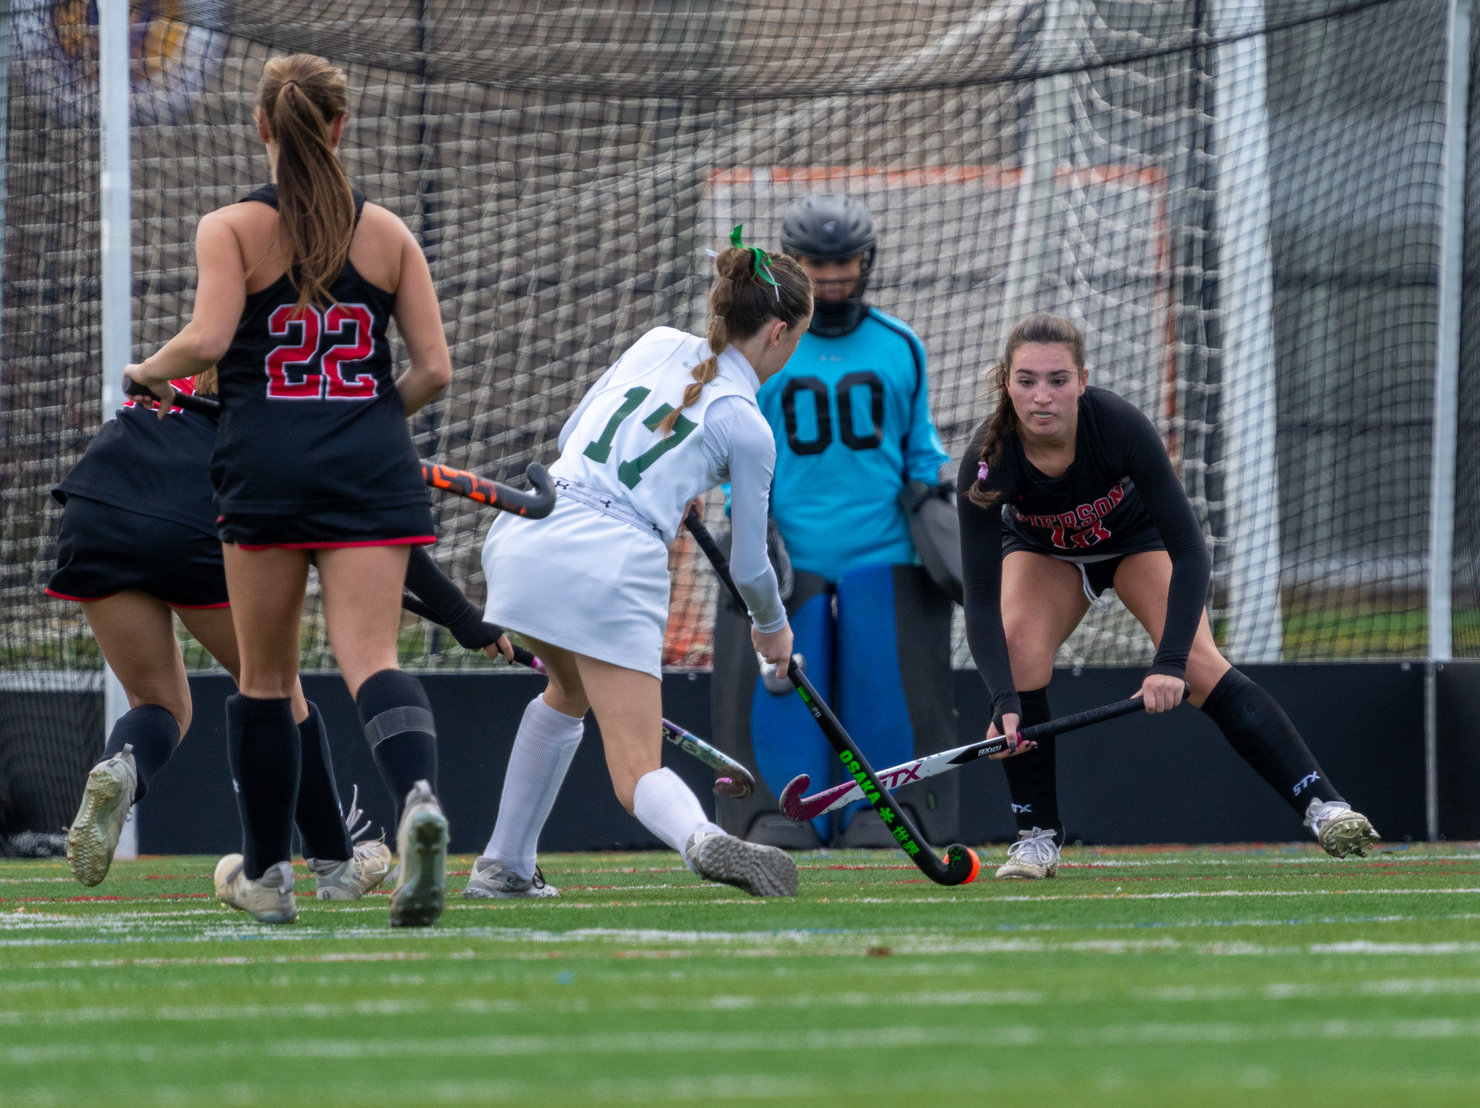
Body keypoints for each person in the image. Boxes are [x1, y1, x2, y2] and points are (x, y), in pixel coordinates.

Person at [124, 54, 453, 926]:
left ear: (263, 128)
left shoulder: (230, 227)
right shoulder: (386, 233)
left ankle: (268, 878)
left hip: (264, 469)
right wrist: (370, 420)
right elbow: (435, 369)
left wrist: (147, 371)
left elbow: (209, 336)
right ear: (341, 128)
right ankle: (418, 798)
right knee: (371, 658)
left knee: (266, 679)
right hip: (369, 469)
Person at [957, 313, 1379, 879]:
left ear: (1083, 380)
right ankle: (1037, 838)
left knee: (1203, 667)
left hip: (1135, 543)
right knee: (1018, 653)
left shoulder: (1120, 426)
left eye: (1058, 380)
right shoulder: (987, 462)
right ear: (1006, 382)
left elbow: (1190, 551)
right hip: (1047, 555)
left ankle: (1324, 806)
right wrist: (1003, 702)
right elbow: (981, 599)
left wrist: (1170, 664)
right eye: (1027, 380)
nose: (1042, 397)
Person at [466, 235, 812, 899]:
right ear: (777, 332)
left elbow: (575, 439)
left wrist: (666, 490)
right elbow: (750, 565)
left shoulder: (656, 340)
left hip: (531, 530)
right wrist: (772, 628)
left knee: (567, 690)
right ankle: (703, 839)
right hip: (610, 562)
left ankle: (505, 864)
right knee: (634, 766)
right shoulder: (747, 424)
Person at [49, 372, 390, 900]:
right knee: (276, 689)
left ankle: (123, 766)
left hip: (95, 510)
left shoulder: (197, 355)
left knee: (159, 701)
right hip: (189, 523)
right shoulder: (290, 396)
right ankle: (336, 862)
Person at [713, 194, 957, 849]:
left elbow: (921, 446)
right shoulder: (761, 346)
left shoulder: (901, 344)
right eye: (817, 264)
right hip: (791, 556)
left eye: (844, 261)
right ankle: (775, 815)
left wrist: (945, 490)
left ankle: (892, 812)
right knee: (786, 693)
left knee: (886, 686)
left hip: (887, 551)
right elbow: (733, 440)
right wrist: (746, 524)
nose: (832, 276)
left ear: (865, 262)